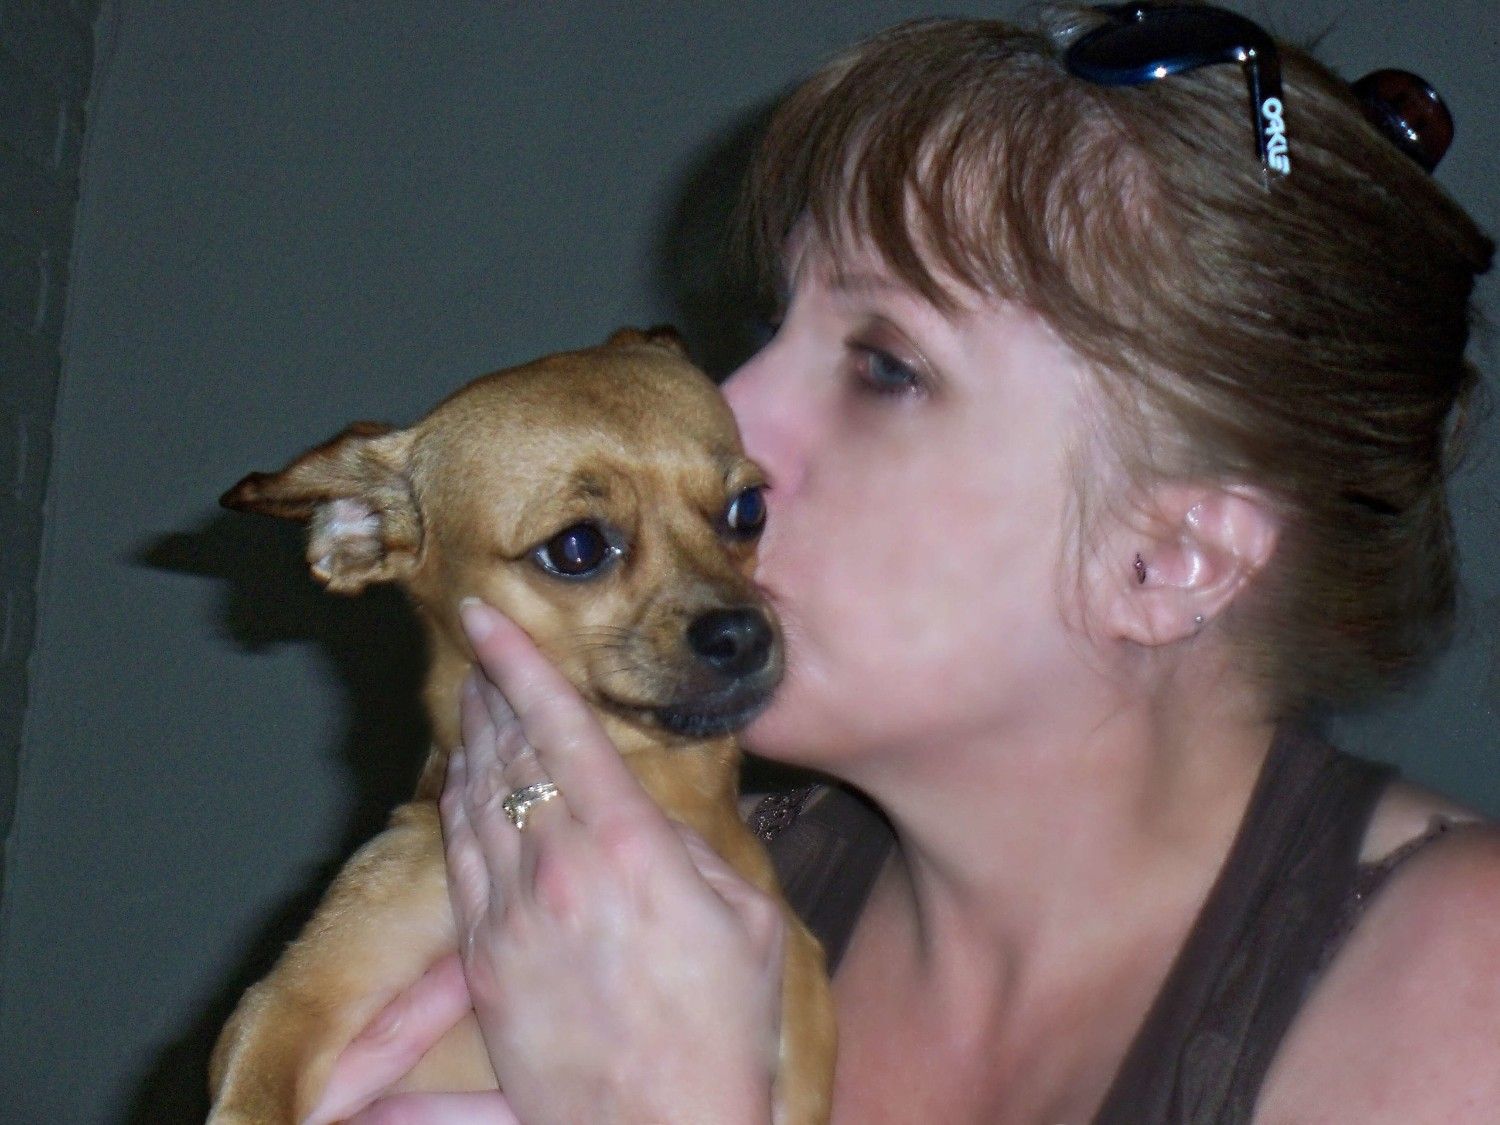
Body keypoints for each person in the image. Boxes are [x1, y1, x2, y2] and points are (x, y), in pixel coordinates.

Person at [305, 6, 1499, 1122]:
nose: (727, 418)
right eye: (780, 326)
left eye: (884, 367)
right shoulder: (640, 886)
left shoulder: (1461, 989)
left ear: (1169, 560)